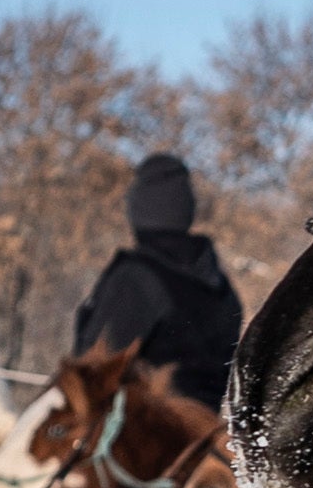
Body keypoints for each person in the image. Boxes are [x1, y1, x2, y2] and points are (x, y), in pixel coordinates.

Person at [74, 151, 245, 406]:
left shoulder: (136, 278)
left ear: (140, 206)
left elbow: (95, 370)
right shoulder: (220, 288)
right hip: (200, 432)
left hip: (136, 433)